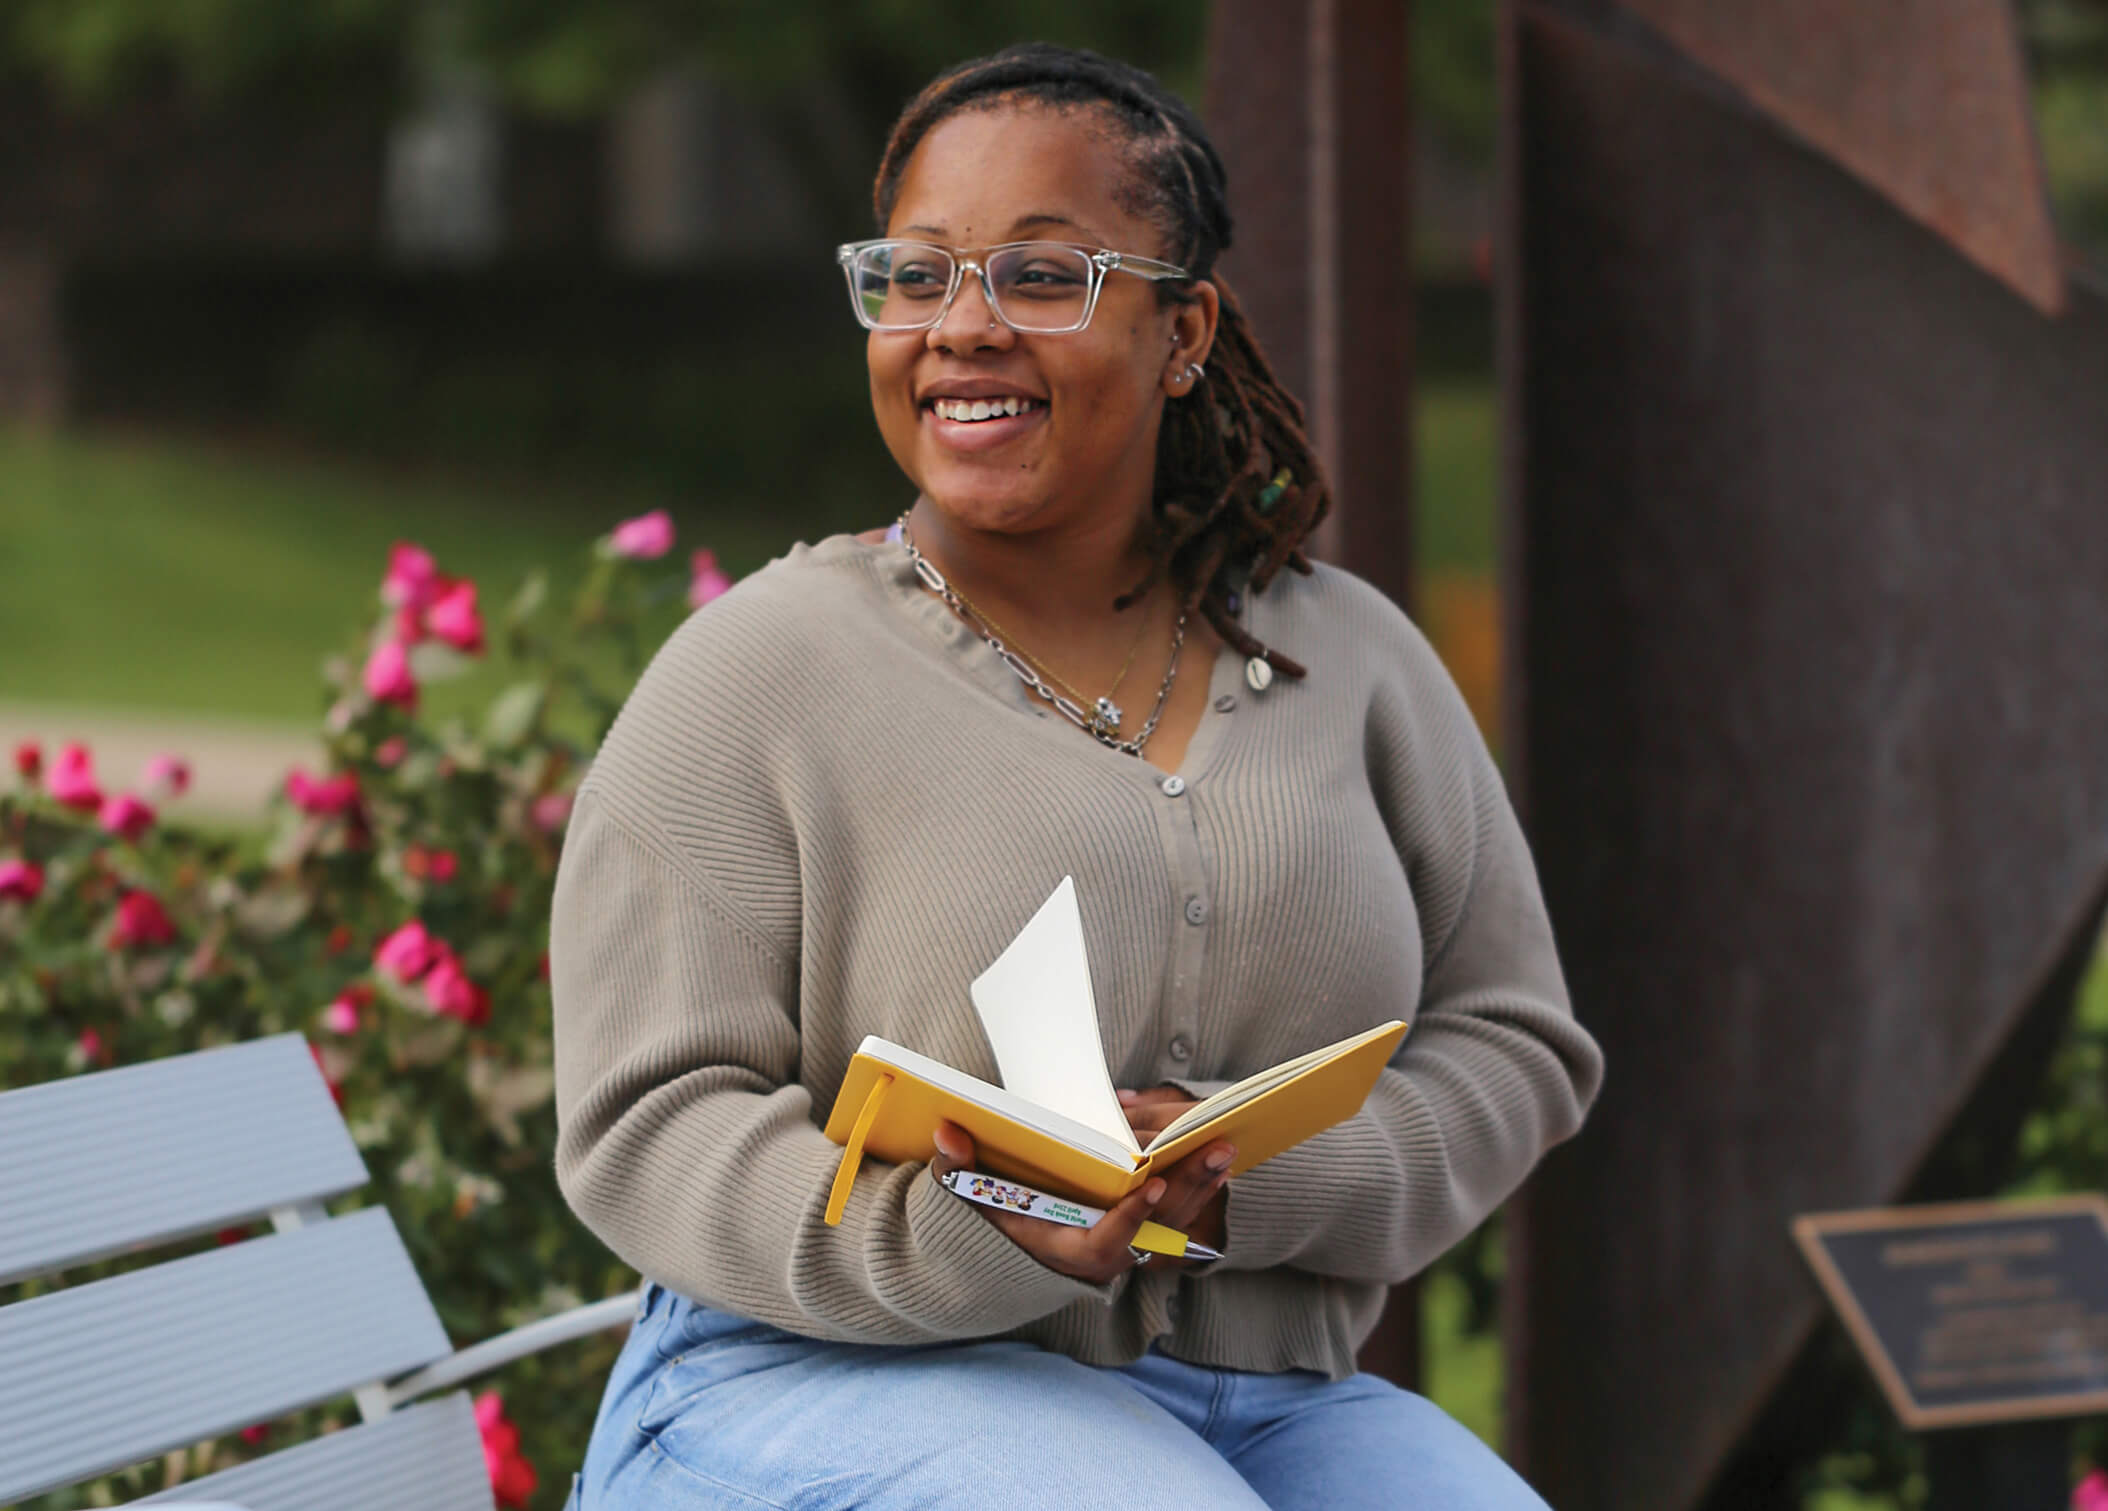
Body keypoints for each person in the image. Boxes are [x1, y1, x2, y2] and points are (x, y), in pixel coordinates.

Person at [551, 41, 1603, 1511]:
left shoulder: (1348, 660)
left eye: (1043, 277)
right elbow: (645, 1121)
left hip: (1264, 1401)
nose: (961, 328)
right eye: (916, 276)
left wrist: (1251, 1186)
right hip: (811, 1386)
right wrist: (971, 1225)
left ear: (1184, 333)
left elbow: (1514, 1039)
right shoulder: (762, 672)